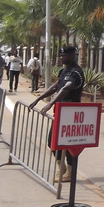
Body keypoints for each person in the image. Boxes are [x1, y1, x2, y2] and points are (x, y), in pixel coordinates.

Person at [29, 46, 85, 182]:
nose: (62, 58)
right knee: (52, 141)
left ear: (72, 55)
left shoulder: (76, 72)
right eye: (61, 56)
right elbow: (56, 86)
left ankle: (70, 172)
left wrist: (51, 103)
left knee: (70, 144)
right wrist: (39, 98)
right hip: (60, 112)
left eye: (64, 55)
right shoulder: (64, 71)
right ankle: (62, 168)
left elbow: (66, 88)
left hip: (71, 112)